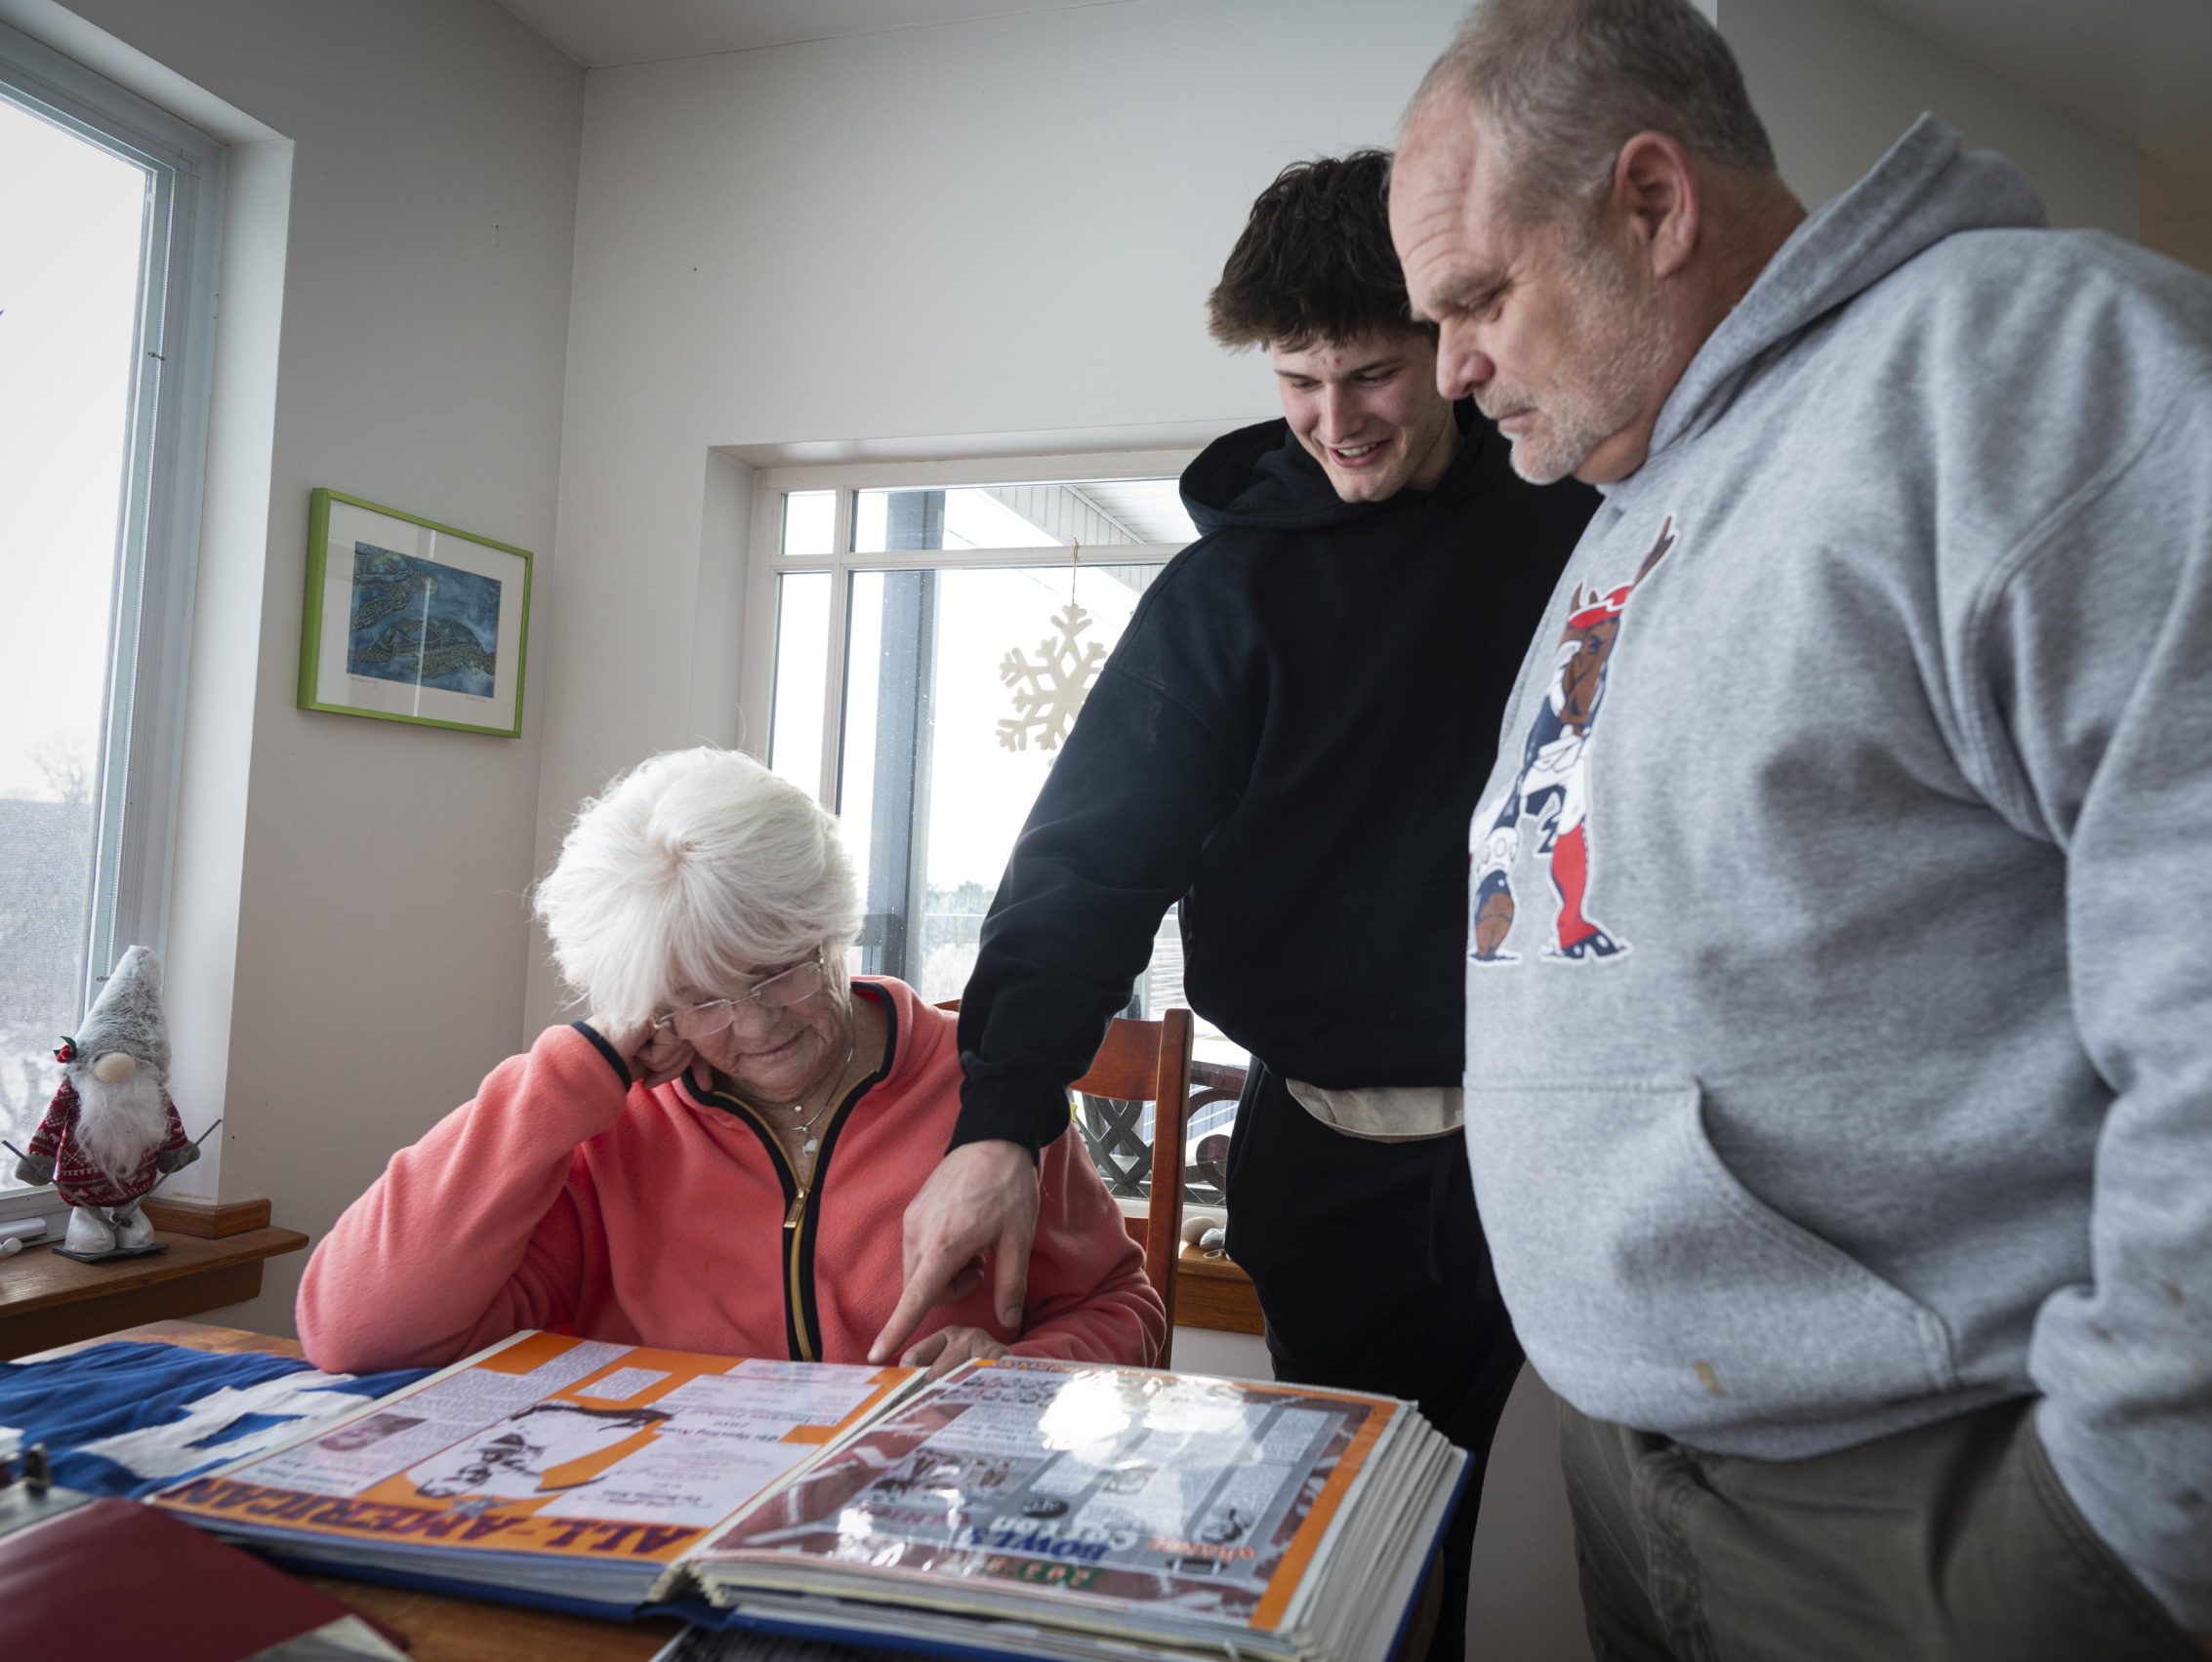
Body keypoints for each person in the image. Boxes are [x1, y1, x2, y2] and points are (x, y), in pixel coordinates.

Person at [1385, 4, 2212, 1661]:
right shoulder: (1644, 498)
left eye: (1476, 296)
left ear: (1650, 204)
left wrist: (2119, 1525)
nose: (1450, 364)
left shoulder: (2038, 366)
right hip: (1664, 1474)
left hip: (1957, 1514)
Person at [873, 151, 1597, 1658]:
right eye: (1299, 380)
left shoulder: (1582, 528)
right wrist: (1002, 1117)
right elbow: (1089, 866)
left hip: (1583, 1131)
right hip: (1333, 1160)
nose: (1337, 421)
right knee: (1375, 1564)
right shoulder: (1227, 596)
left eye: (1375, 373)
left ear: (1457, 351)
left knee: (1656, 1521)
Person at [297, 748, 1160, 1377]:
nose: (751, 1023)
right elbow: (355, 1331)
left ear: (829, 925)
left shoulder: (989, 1092)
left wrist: (1020, 1375)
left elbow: (1124, 1308)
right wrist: (574, 1070)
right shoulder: (604, 1125)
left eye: (774, 968)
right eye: (698, 996)